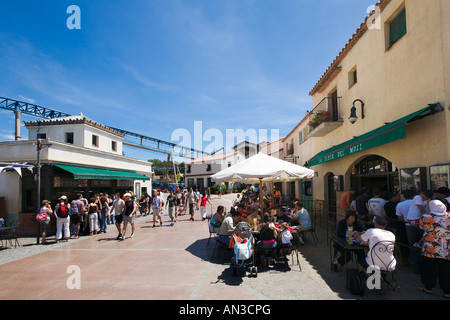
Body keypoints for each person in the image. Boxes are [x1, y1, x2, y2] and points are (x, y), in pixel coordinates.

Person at [418, 200, 450, 298]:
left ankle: (428, 287)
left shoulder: (425, 217)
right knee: (446, 269)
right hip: (446, 247)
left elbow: (421, 227)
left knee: (428, 268)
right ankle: (447, 291)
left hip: (430, 246)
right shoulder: (448, 216)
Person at [406, 190, 433, 273]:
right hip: (414, 220)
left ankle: (418, 265)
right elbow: (421, 210)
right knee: (416, 245)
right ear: (422, 193)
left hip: (417, 220)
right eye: (424, 197)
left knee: (418, 244)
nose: (424, 199)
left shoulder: (421, 199)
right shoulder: (417, 197)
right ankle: (415, 266)